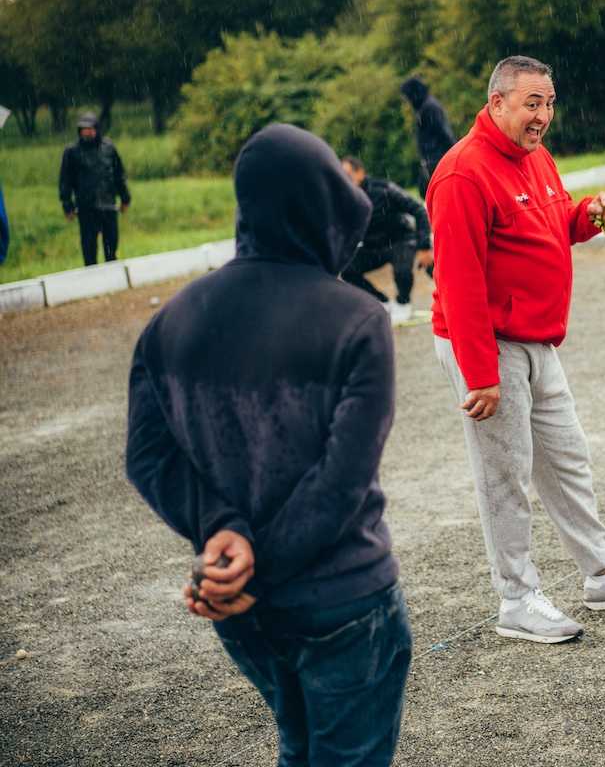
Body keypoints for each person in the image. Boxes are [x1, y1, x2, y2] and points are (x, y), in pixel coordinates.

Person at [125, 124, 412, 767]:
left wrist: (224, 533)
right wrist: (264, 568)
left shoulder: (169, 321)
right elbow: (341, 481)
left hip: (241, 611)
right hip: (343, 599)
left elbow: (147, 457)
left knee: (298, 746)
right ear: (323, 204)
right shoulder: (358, 319)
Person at [427, 55, 605, 644]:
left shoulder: (535, 156)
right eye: (530, 103)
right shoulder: (462, 173)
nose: (542, 116)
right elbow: (459, 281)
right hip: (488, 345)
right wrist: (479, 373)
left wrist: (587, 215)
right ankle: (516, 600)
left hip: (538, 338)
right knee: (505, 474)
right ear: (497, 104)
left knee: (567, 458)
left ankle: (604, 576)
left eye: (548, 103)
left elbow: (549, 223)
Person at [340, 156, 433, 325]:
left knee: (403, 271)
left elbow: (419, 210)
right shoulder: (345, 199)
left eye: (347, 174)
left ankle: (402, 303)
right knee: (347, 270)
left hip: (401, 240)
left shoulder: (383, 189)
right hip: (372, 246)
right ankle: (382, 302)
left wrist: (424, 245)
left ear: (359, 173)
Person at [58, 111, 131, 266]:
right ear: (79, 131)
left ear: (96, 129)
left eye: (90, 128)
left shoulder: (108, 148)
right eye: (84, 129)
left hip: (108, 204)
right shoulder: (71, 152)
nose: (87, 132)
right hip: (86, 207)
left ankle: (112, 276)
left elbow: (119, 175)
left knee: (111, 245)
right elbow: (65, 180)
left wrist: (125, 197)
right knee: (89, 246)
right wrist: (67, 204)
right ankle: (91, 278)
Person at [400, 75, 458, 198]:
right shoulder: (425, 107)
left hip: (437, 158)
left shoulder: (429, 107)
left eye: (407, 98)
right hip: (432, 159)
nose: (407, 102)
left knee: (435, 193)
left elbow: (444, 133)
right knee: (426, 191)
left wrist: (455, 155)